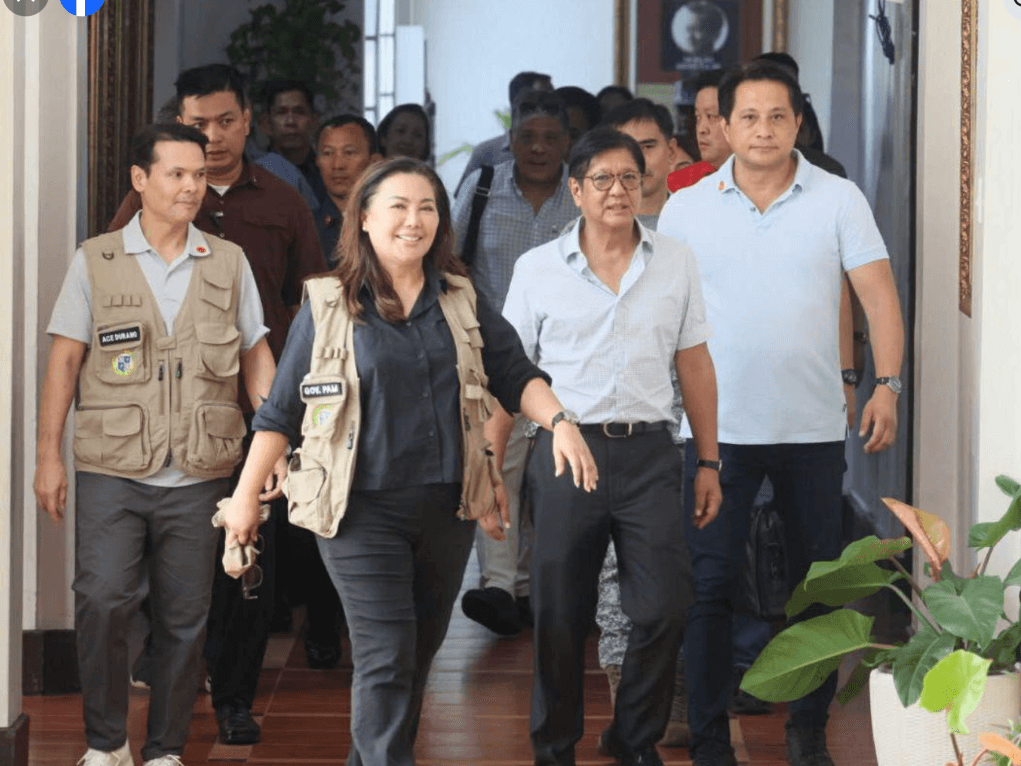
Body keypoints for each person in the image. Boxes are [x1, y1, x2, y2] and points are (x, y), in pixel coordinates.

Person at [219, 157, 597, 766]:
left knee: (415, 657)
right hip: (357, 510)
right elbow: (279, 413)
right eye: (397, 206)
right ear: (364, 218)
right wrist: (243, 498)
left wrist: (560, 421)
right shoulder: (329, 304)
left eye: (426, 208)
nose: (412, 221)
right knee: (387, 654)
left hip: (446, 509)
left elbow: (515, 372)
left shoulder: (460, 299)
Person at [658, 61, 904, 766]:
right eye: (747, 118)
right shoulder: (687, 208)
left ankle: (807, 732)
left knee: (817, 589)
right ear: (722, 126)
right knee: (707, 588)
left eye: (776, 117)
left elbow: (878, 298)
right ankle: (709, 740)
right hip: (713, 434)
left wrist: (885, 383)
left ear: (797, 122)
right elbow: (661, 315)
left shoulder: (837, 199)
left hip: (811, 429)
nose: (762, 130)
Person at [34, 123, 283, 766]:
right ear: (140, 180)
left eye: (199, 175)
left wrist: (277, 443)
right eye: (176, 174)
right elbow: (65, 360)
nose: (191, 187)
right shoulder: (97, 260)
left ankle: (167, 748)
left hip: (201, 472)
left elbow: (256, 354)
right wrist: (46, 456)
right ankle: (106, 742)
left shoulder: (227, 261)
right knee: (101, 599)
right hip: (113, 468)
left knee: (184, 617)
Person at [109, 63, 328, 747]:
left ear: (247, 120)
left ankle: (234, 694)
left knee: (244, 560)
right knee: (160, 553)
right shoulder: (146, 198)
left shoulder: (285, 200)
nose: (214, 135)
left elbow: (313, 301)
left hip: (255, 417)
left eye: (226, 121)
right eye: (198, 124)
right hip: (162, 414)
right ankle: (170, 660)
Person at [497, 127, 722, 766]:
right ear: (576, 191)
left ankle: (631, 739)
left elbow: (695, 364)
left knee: (664, 607)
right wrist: (492, 469)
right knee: (560, 615)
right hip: (567, 455)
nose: (617, 190)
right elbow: (509, 375)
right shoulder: (536, 269)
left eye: (629, 177)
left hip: (652, 453)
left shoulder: (675, 259)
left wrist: (708, 459)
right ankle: (555, 746)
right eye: (601, 179)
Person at [452, 88, 578, 637]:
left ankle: (532, 587)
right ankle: (498, 587)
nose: (539, 148)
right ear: (511, 142)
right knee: (497, 461)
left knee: (547, 470)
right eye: (528, 137)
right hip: (491, 353)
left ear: (568, 145)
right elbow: (450, 261)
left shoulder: (581, 196)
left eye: (551, 138)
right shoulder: (483, 190)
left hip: (565, 359)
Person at [455, 70, 554, 195]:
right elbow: (462, 203)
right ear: (521, 102)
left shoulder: (561, 153)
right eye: (546, 97)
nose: (555, 103)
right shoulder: (486, 154)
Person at [313, 114, 382, 266]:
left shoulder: (389, 224)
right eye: (327, 153)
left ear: (374, 161)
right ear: (317, 162)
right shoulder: (306, 228)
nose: (337, 165)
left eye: (349, 152)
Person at [260, 79, 327, 203]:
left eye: (299, 112)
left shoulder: (329, 172)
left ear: (314, 121)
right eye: (281, 113)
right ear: (266, 123)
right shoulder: (254, 173)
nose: (291, 121)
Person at [668, 69, 728, 193]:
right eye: (698, 117)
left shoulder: (768, 180)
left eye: (712, 116)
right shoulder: (679, 184)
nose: (701, 129)